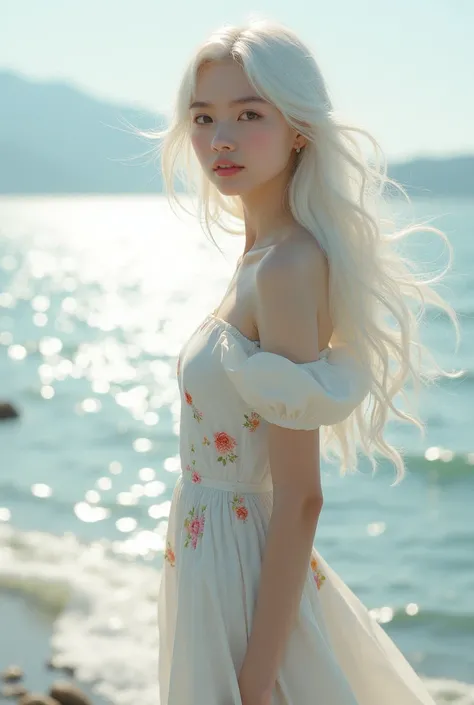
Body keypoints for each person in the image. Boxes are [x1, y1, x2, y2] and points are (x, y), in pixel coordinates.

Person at [146, 18, 460, 705]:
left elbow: (300, 492)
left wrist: (255, 679)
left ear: (298, 129)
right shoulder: (257, 256)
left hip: (242, 579)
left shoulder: (288, 266)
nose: (220, 139)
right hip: (209, 564)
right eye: (204, 117)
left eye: (248, 114)